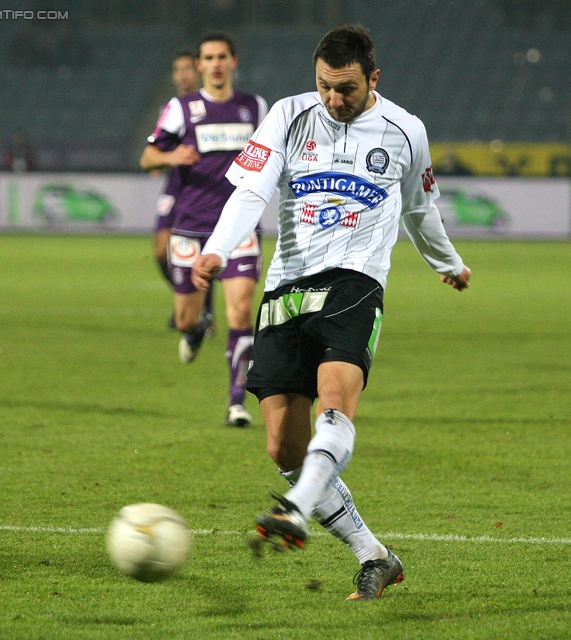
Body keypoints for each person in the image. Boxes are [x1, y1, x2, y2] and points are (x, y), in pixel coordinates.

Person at [192, 24, 471, 600]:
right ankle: (375, 555)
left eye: (345, 89)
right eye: (324, 86)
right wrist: (218, 247)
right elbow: (250, 192)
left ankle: (294, 510)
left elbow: (419, 209)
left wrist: (448, 262)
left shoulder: (404, 129)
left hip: (356, 281)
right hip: (286, 287)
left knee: (336, 405)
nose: (333, 100)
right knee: (282, 448)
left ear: (373, 79)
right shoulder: (289, 115)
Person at [141, 33, 268, 427]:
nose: (215, 64)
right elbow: (147, 157)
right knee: (184, 318)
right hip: (191, 227)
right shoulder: (181, 109)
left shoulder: (254, 107)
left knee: (242, 308)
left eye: (222, 57)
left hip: (238, 227)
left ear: (234, 61)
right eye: (208, 58)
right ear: (199, 65)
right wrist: (171, 154)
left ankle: (236, 402)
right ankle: (194, 332)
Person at [147, 52, 202, 328]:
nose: (182, 75)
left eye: (187, 69)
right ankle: (190, 300)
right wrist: (165, 158)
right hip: (177, 185)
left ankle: (201, 311)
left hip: (205, 188)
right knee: (160, 250)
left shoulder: (210, 106)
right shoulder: (172, 107)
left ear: (199, 70)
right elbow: (158, 149)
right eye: (176, 69)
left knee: (203, 251)